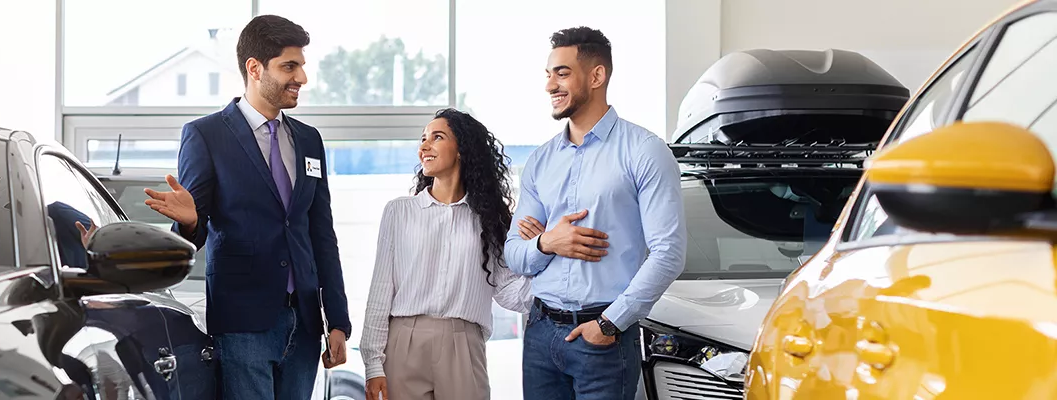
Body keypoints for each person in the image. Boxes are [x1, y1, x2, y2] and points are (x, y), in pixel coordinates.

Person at [141, 14, 351, 400]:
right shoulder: (206, 135)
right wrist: (189, 223)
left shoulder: (308, 139)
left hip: (305, 323)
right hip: (243, 322)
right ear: (255, 68)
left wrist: (337, 319)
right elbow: (195, 233)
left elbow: (322, 234)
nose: (302, 77)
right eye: (290, 66)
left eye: (302, 66)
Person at [503, 26, 687, 400]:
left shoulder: (645, 151)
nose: (550, 85)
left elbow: (669, 253)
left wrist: (609, 322)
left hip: (604, 337)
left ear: (597, 75)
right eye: (549, 74)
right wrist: (547, 241)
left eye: (562, 73)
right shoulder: (540, 161)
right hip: (539, 332)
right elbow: (514, 254)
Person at [360, 109, 530, 400]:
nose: (424, 146)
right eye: (423, 139)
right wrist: (373, 365)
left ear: (462, 149)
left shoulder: (491, 220)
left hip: (464, 345)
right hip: (404, 341)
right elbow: (381, 290)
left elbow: (509, 292)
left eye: (437, 137)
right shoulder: (399, 211)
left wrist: (545, 256)